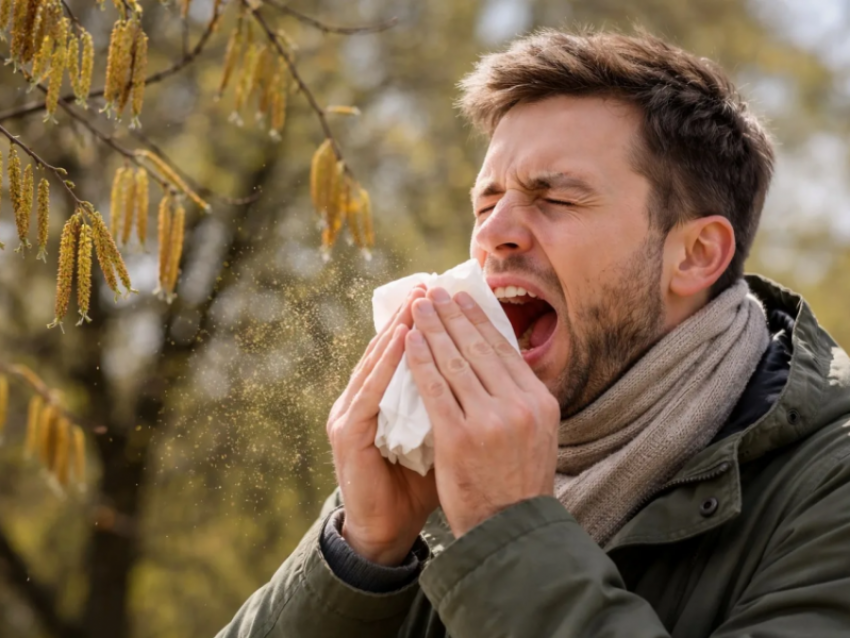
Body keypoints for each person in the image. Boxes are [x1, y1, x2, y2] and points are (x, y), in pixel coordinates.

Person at [217, 29, 850, 638]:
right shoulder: (439, 467)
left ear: (694, 255)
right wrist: (363, 554)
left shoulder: (830, 485)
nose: (494, 234)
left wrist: (505, 526)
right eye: (487, 204)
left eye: (556, 199)